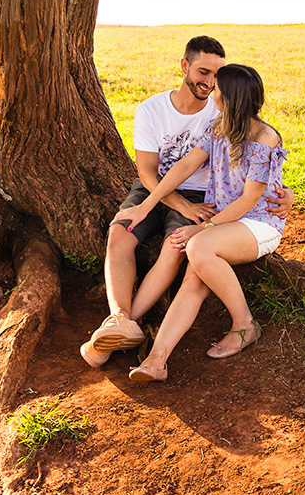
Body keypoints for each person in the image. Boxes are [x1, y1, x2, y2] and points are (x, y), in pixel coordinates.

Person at [80, 38, 292, 368]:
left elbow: (254, 196)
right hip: (222, 215)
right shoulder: (217, 126)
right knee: (190, 272)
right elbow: (183, 166)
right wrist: (146, 206)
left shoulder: (262, 136)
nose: (211, 87)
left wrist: (203, 227)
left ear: (228, 95)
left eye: (218, 82)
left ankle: (244, 324)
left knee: (192, 247)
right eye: (206, 74)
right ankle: (152, 357)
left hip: (251, 219)